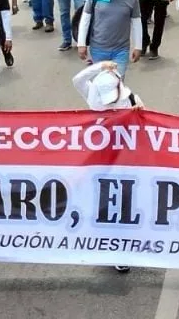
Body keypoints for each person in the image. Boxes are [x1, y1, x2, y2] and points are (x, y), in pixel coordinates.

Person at [69, 60, 141, 273]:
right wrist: (100, 67)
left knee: (124, 202)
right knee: (104, 201)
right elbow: (77, 79)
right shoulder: (92, 92)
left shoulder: (130, 98)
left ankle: (122, 250)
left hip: (125, 158)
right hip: (100, 157)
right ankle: (108, 242)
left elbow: (145, 121)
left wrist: (140, 112)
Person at [77, 0, 142, 74]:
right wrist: (81, 44)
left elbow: (136, 22)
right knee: (101, 83)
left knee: (117, 83)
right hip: (98, 48)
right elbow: (85, 19)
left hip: (121, 50)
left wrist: (138, 46)